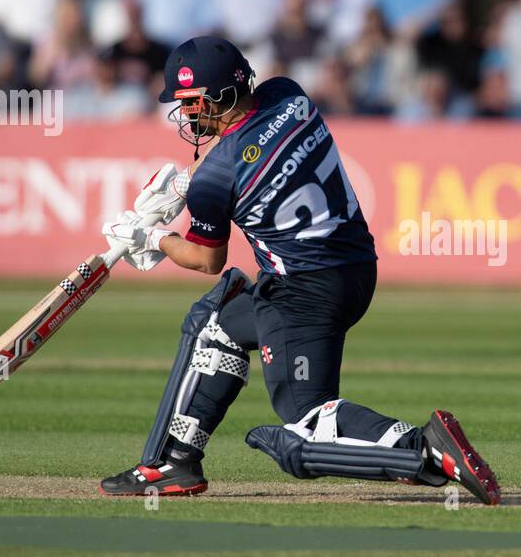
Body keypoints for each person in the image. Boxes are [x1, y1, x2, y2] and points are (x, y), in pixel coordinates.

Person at [97, 36, 500, 505]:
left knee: (307, 424)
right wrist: (184, 184)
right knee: (215, 323)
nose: (186, 115)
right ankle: (173, 462)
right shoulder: (288, 95)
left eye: (191, 102)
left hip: (303, 291)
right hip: (354, 268)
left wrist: (150, 239)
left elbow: (208, 260)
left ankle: (424, 447)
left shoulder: (216, 179)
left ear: (219, 96)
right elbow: (241, 144)